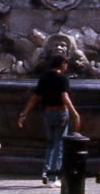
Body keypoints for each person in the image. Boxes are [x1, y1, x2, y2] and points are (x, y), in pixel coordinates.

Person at [18, 53, 81, 186]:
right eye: (66, 63)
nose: (66, 66)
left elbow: (35, 97)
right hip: (60, 113)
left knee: (51, 143)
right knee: (59, 144)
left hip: (47, 112)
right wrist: (75, 114)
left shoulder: (44, 78)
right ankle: (53, 177)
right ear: (62, 64)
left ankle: (46, 172)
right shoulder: (62, 78)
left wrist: (24, 114)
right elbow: (64, 97)